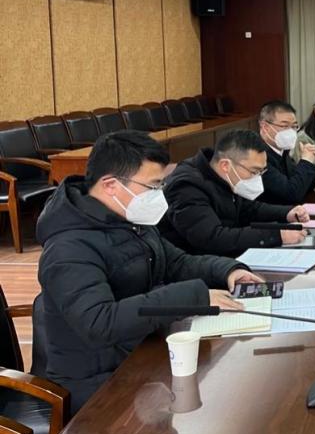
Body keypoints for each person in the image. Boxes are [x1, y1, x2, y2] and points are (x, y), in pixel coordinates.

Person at [33, 130, 262, 414]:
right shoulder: (68, 248)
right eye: (153, 186)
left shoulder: (129, 219)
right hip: (97, 384)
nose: (160, 194)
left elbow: (176, 262)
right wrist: (194, 297)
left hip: (143, 350)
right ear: (111, 185)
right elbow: (100, 323)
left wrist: (228, 271)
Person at [161, 129, 310, 257]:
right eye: (254, 171)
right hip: (195, 266)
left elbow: (247, 209)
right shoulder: (186, 187)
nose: (258, 178)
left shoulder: (224, 176)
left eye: (261, 171)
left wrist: (286, 213)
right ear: (226, 165)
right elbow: (212, 238)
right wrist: (276, 236)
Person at [257, 100, 315, 205]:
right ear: (265, 127)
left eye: (294, 126)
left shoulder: (283, 151)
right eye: (285, 126)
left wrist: (312, 161)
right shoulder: (257, 155)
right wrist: (306, 162)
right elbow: (291, 194)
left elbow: (305, 187)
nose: (291, 131)